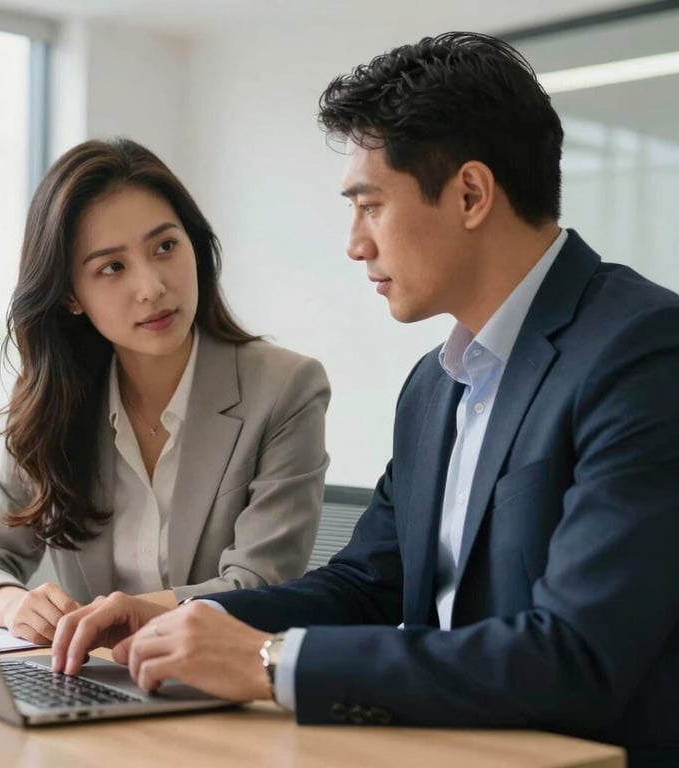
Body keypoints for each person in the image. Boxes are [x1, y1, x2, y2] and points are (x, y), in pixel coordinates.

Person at [50, 34, 679, 767]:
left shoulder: (641, 352)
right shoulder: (435, 385)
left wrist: (269, 662)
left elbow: (574, 658)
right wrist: (178, 613)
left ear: (471, 195)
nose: (354, 244)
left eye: (369, 205)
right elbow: (364, 587)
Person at [0, 137, 330, 645]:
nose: (151, 286)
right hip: (91, 681)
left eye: (165, 247)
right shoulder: (54, 401)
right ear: (69, 296)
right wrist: (18, 605)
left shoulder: (285, 389)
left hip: (221, 686)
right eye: (112, 267)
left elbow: (262, 584)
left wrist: (133, 613)